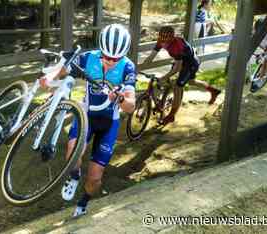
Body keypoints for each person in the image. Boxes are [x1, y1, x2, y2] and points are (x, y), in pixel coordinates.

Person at [40, 24, 136, 217]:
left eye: (115, 58)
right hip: (86, 115)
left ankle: (83, 202)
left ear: (123, 55)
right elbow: (63, 70)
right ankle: (74, 176)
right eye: (106, 55)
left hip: (109, 123)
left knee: (94, 178)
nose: (110, 61)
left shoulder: (128, 66)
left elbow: (131, 105)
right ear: (100, 49)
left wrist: (121, 99)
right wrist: (48, 78)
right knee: (72, 154)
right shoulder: (89, 57)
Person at [143, 26, 221, 125]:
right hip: (180, 61)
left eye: (166, 41)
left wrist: (164, 77)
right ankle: (213, 90)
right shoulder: (161, 40)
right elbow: (151, 57)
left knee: (177, 86)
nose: (164, 43)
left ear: (171, 38)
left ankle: (171, 115)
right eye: (162, 40)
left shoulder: (177, 45)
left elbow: (177, 68)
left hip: (190, 63)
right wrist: (138, 68)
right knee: (191, 81)